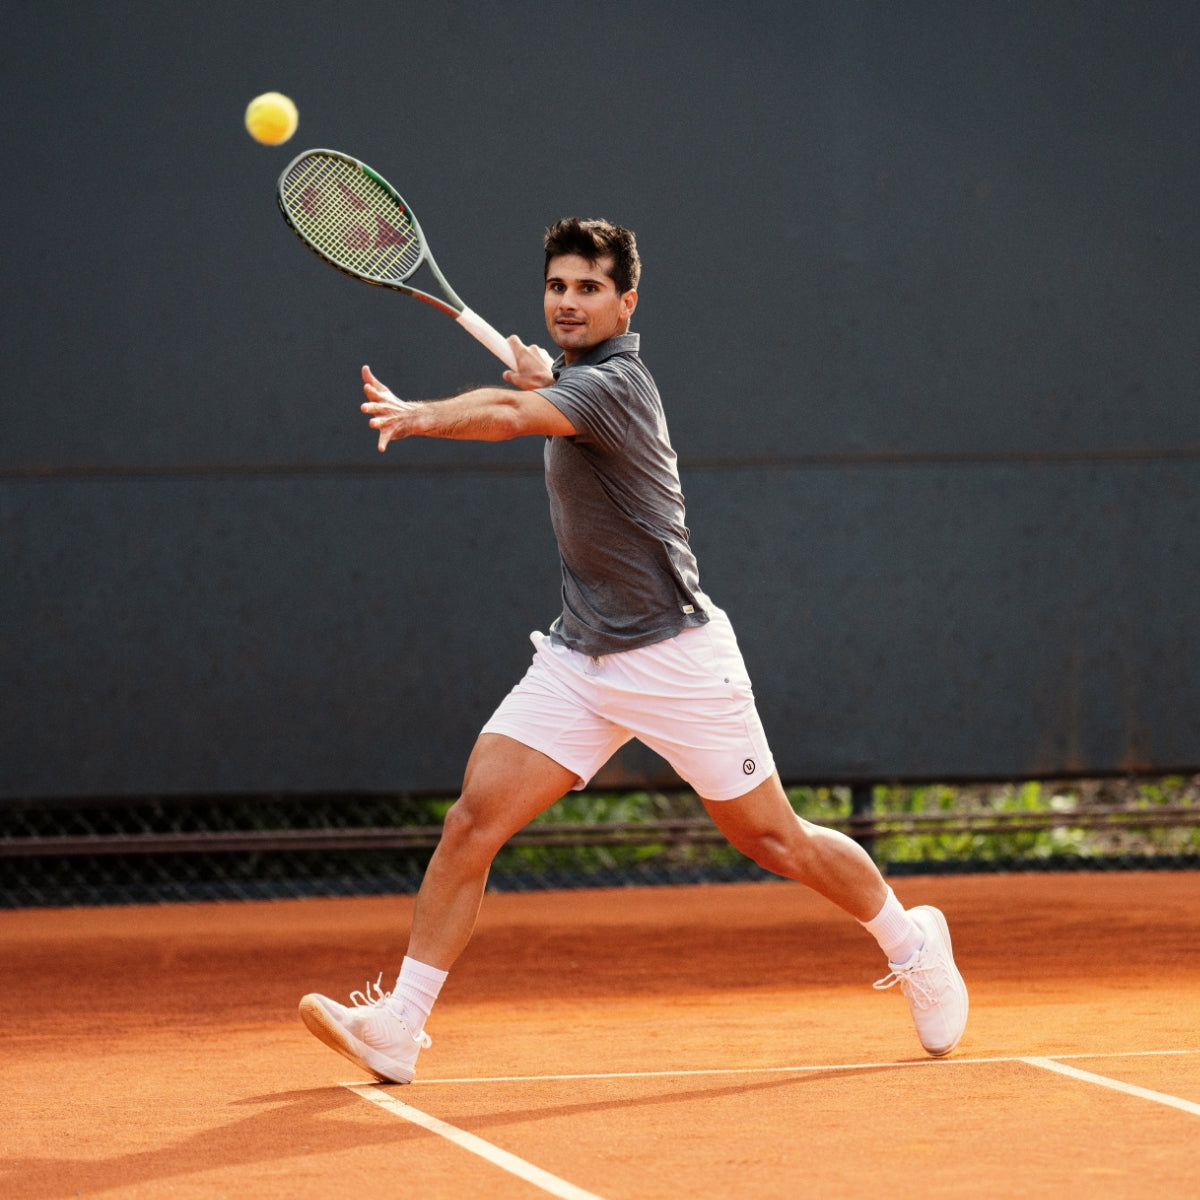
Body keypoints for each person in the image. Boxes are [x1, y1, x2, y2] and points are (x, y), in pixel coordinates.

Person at [299, 218, 968, 1083]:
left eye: (588, 289)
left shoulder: (616, 386)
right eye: (556, 287)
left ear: (626, 302)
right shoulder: (581, 379)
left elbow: (509, 412)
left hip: (675, 657)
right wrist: (553, 374)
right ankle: (401, 1024)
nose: (568, 301)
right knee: (472, 822)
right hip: (580, 660)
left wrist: (425, 414)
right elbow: (540, 396)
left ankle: (912, 942)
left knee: (775, 840)